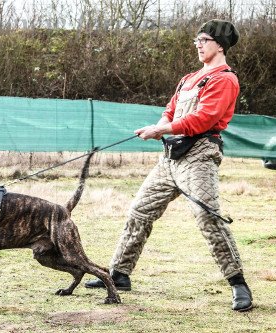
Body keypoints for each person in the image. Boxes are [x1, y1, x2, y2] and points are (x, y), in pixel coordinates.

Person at [85, 19, 253, 311]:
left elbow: (204, 119)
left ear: (220, 45)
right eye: (196, 40)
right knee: (139, 211)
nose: (198, 45)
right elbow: (171, 110)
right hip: (170, 158)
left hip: (199, 156)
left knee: (207, 218)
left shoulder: (225, 79)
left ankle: (238, 284)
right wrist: (159, 126)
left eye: (204, 39)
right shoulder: (189, 78)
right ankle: (119, 274)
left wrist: (161, 130)